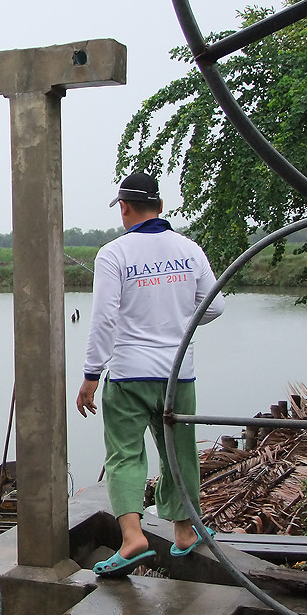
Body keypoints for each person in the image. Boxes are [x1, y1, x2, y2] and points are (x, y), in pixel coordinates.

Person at [75, 172, 225, 578]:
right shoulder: (189, 250)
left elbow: (103, 318)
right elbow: (215, 306)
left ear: (125, 207)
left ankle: (132, 538)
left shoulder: (113, 254)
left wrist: (91, 375)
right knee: (179, 453)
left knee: (125, 454)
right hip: (180, 375)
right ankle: (184, 533)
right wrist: (176, 322)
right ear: (158, 206)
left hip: (127, 375)